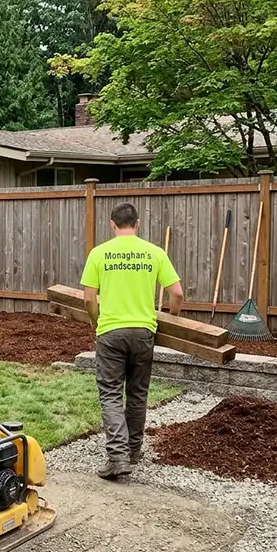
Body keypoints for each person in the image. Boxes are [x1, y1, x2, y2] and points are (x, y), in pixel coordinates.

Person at [80, 202, 184, 480]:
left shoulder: (99, 254)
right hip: (143, 333)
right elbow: (177, 293)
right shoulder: (155, 253)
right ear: (137, 224)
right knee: (137, 394)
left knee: (111, 394)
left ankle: (118, 457)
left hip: (111, 333)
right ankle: (133, 451)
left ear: (112, 225)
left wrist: (95, 321)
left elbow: (89, 298)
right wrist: (170, 321)